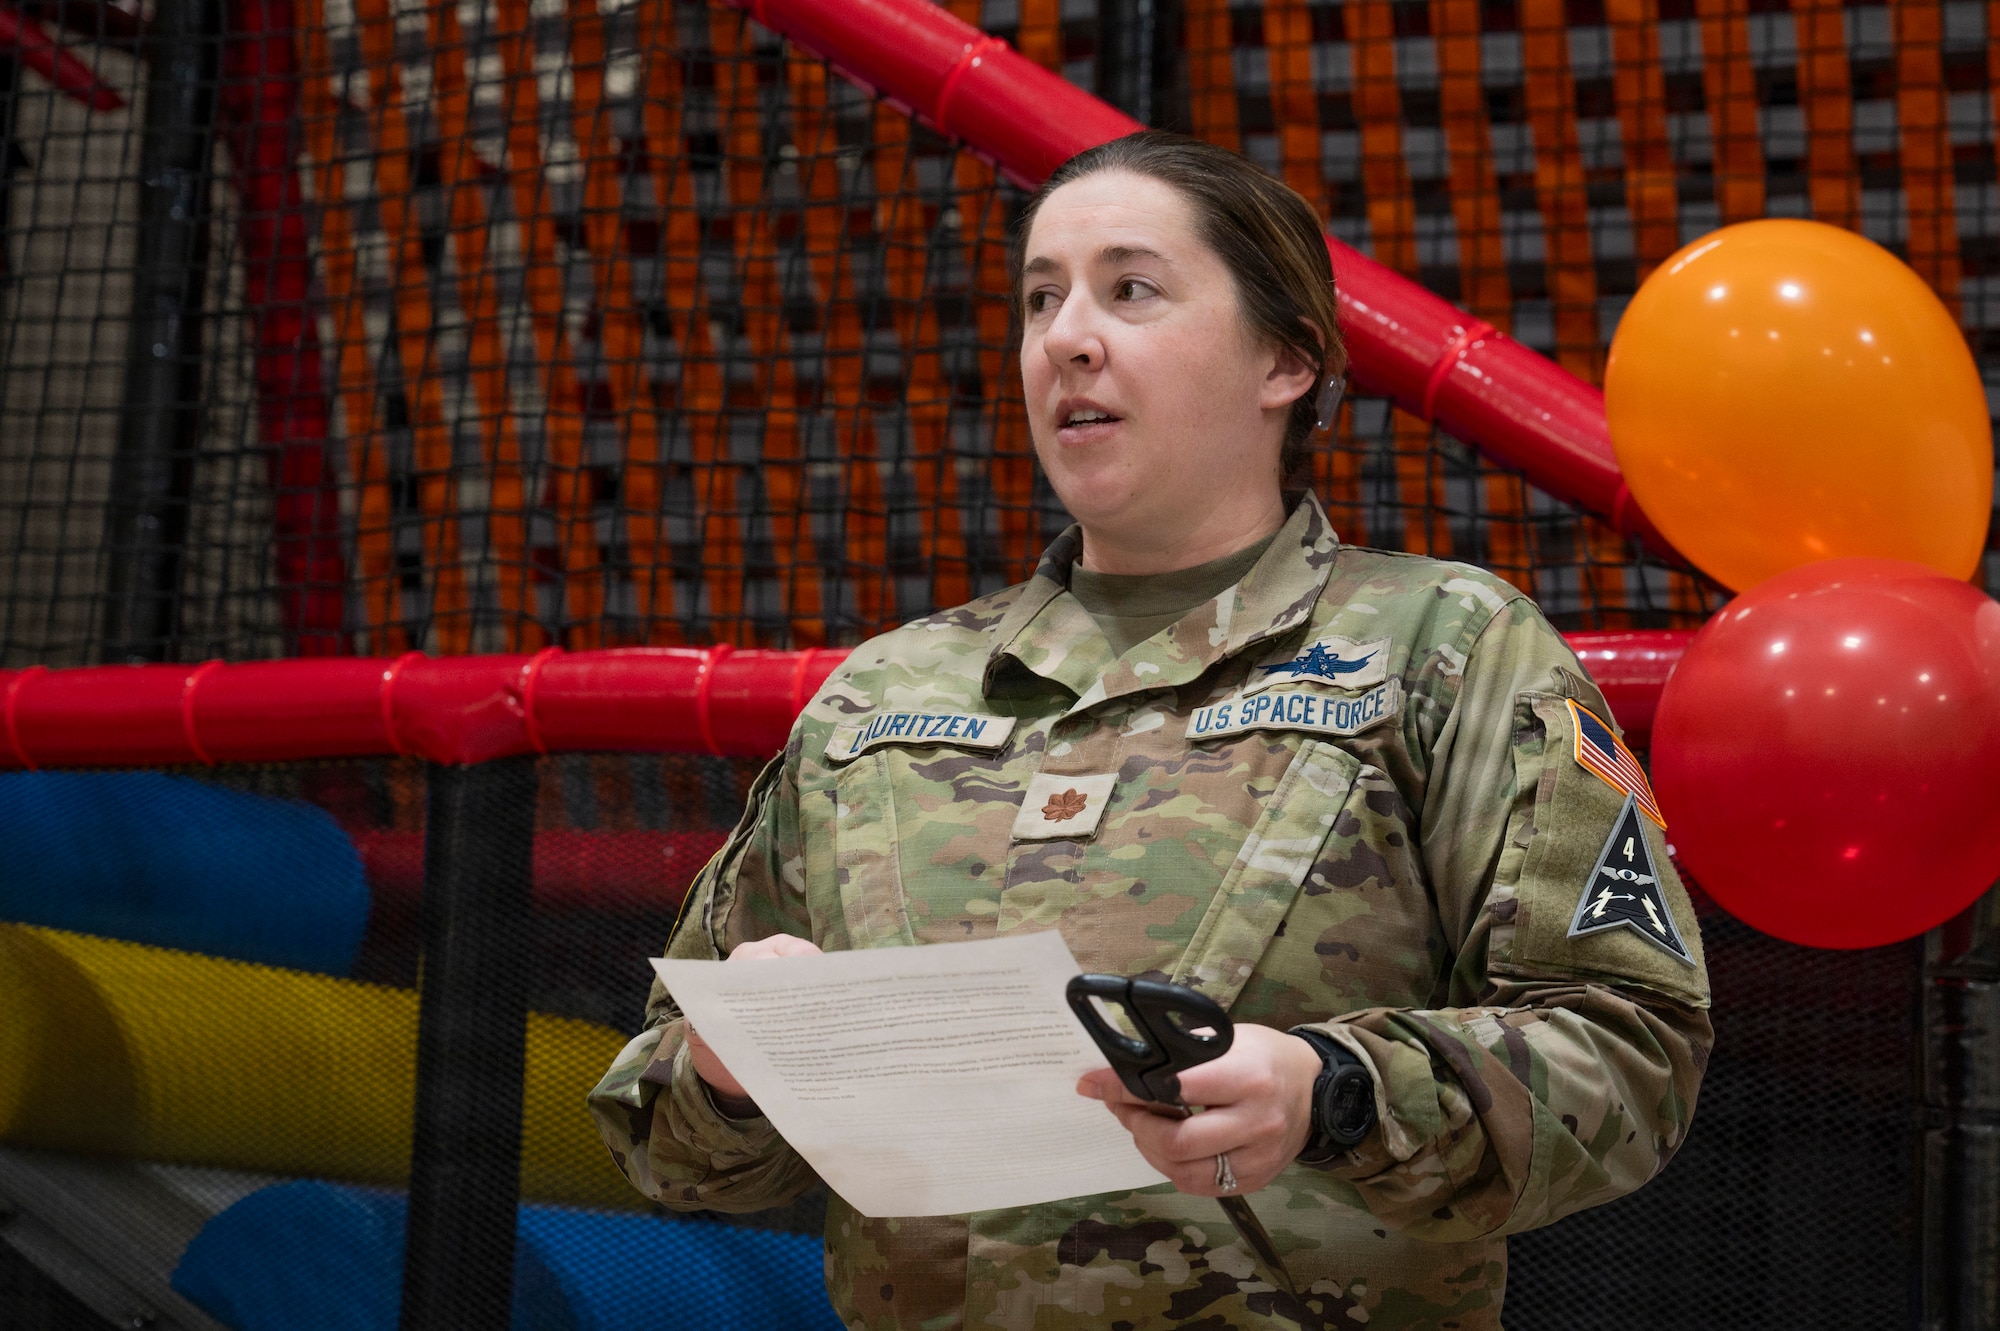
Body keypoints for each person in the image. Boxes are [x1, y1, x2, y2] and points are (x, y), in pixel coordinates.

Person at [589, 129, 1711, 1331]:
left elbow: (1630, 1051)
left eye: (1130, 289)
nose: (1066, 336)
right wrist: (730, 1065)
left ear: (1285, 356)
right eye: (1039, 298)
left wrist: (1329, 1089)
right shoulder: (878, 699)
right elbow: (668, 1147)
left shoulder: (1444, 645)